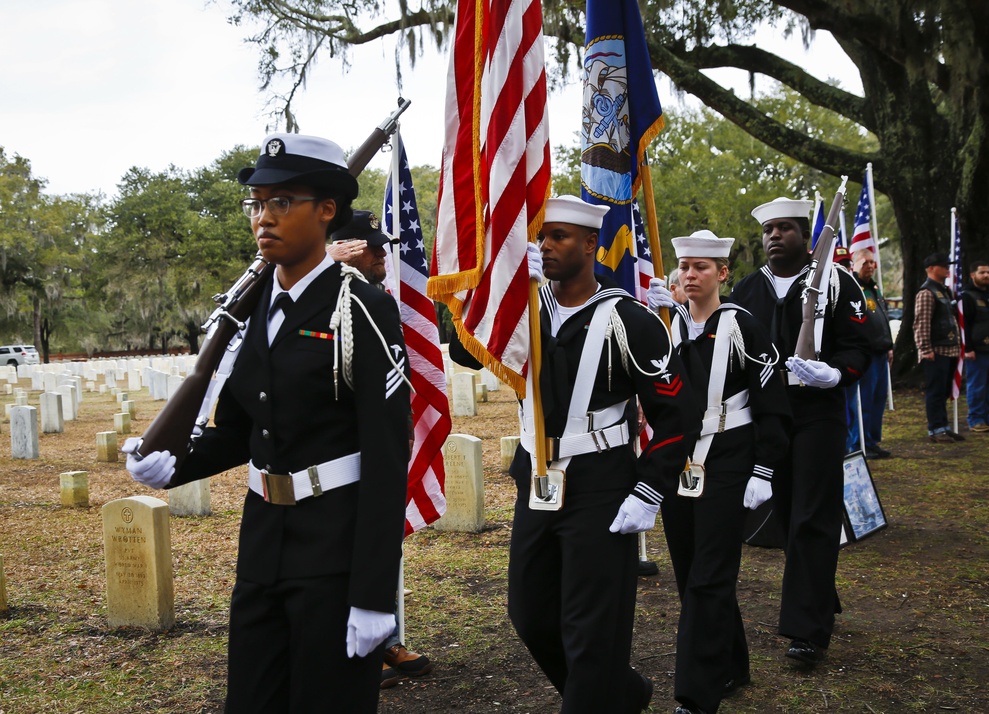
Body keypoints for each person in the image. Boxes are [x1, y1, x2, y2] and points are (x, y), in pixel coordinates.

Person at [124, 133, 412, 714]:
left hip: (334, 552)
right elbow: (238, 429)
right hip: (262, 547)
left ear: (327, 210)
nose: (264, 218)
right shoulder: (252, 307)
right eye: (256, 204)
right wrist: (176, 463)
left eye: (282, 201)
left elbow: (387, 458)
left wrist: (375, 595)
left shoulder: (361, 308)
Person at [450, 194, 697, 713]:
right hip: (537, 480)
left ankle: (595, 695)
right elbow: (462, 346)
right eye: (542, 237)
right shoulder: (520, 315)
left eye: (558, 236)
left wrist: (649, 489)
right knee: (530, 613)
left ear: (591, 244)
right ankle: (621, 693)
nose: (546, 246)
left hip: (602, 484)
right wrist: (492, 285)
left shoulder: (632, 321)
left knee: (591, 629)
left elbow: (678, 418)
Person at [647, 230, 791, 714]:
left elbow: (773, 402)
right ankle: (733, 662)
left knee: (710, 575)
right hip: (680, 463)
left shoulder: (744, 327)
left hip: (730, 457)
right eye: (684, 266)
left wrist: (764, 468)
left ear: (722, 273)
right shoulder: (668, 326)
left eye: (702, 267)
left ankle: (696, 692)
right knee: (691, 573)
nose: (690, 274)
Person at [730, 197, 870, 667]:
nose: (774, 236)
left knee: (813, 514)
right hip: (767, 417)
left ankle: (807, 631)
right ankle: (818, 594)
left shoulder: (837, 281)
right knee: (787, 513)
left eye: (785, 228)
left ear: (806, 235)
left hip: (816, 414)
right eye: (769, 229)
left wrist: (835, 373)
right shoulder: (747, 291)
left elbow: (861, 344)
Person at [326, 210, 434, 687]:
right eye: (372, 247)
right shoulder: (325, 297)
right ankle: (359, 652)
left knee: (375, 540)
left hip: (373, 446)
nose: (382, 255)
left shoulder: (377, 298)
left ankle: (380, 641)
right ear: (347, 251)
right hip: (335, 453)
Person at [847, 248, 894, 457]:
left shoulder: (874, 288)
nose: (870, 266)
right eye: (865, 262)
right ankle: (860, 443)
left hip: (882, 351)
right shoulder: (853, 288)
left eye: (872, 262)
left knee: (878, 399)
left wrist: (889, 346)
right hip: (867, 353)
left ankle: (873, 440)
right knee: (864, 400)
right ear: (854, 265)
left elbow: (882, 318)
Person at [914, 252, 964, 443]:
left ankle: (943, 426)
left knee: (943, 391)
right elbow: (921, 323)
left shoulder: (944, 291)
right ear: (931, 268)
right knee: (935, 391)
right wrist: (925, 348)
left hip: (949, 349)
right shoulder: (927, 293)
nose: (947, 268)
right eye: (943, 265)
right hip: (936, 350)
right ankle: (935, 429)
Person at [961, 260, 989, 432]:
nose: (986, 276)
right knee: (977, 384)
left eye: (987, 272)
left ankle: (986, 417)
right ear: (972, 275)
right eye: (981, 273)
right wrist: (968, 348)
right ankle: (975, 419)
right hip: (977, 350)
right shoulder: (968, 296)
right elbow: (965, 325)